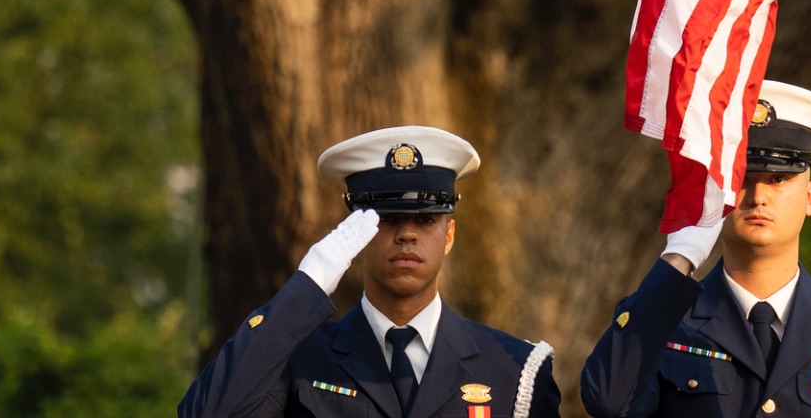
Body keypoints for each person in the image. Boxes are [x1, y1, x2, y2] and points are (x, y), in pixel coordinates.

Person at [178, 126, 560, 418]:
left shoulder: (512, 368)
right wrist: (307, 286)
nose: (407, 233)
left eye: (426, 218)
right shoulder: (299, 360)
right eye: (387, 218)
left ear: (449, 235)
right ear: (355, 234)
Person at [582, 81, 811, 417]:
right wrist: (681, 256)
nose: (758, 197)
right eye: (741, 178)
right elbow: (608, 401)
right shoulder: (664, 319)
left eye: (778, 179)